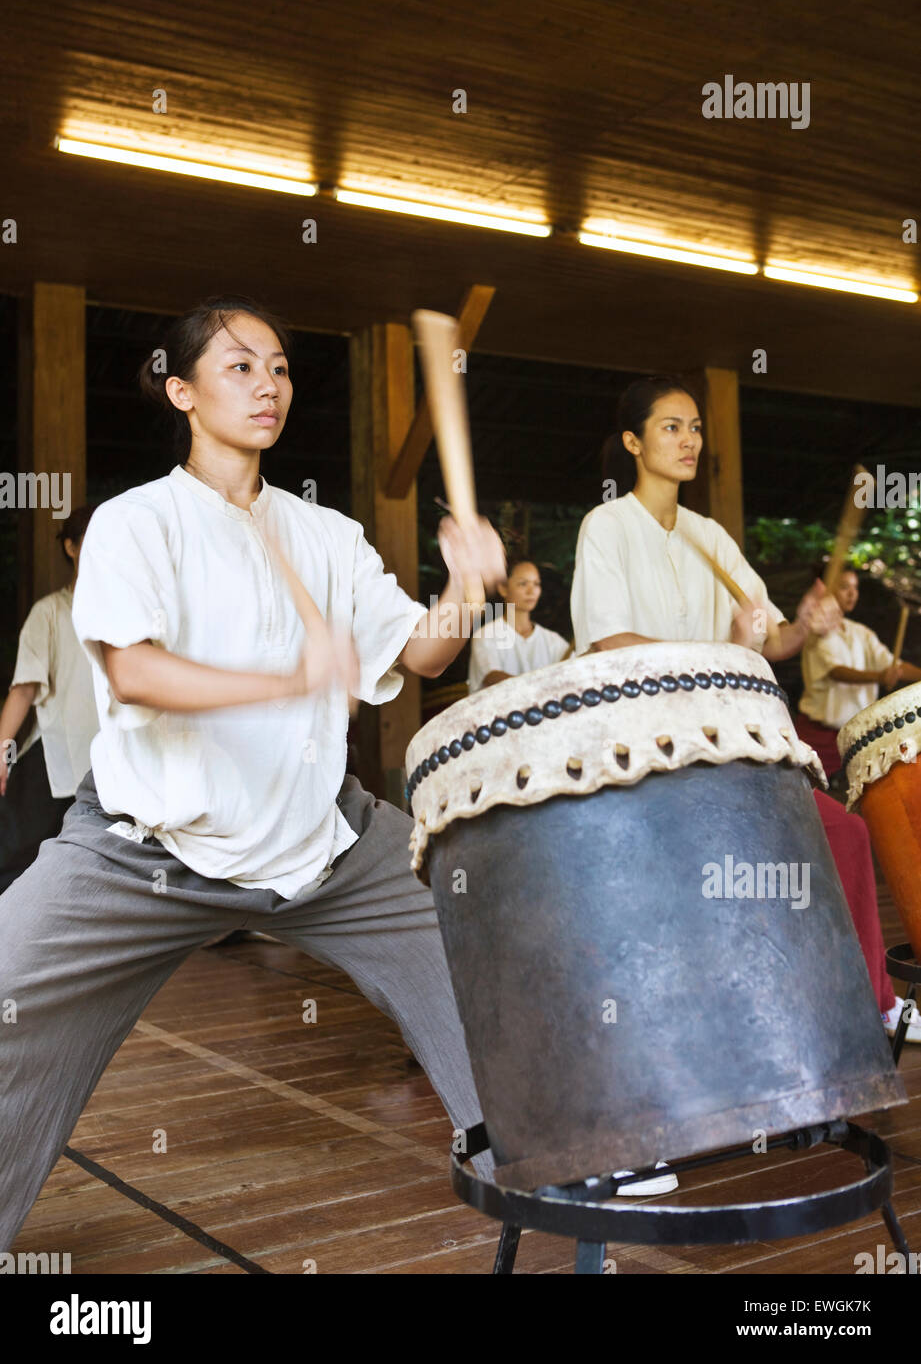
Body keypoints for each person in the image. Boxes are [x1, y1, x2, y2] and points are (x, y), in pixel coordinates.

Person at [0, 296, 507, 1253]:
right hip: (141, 851)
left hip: (325, 844)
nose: (267, 384)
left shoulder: (327, 534)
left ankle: (522, 1153)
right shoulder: (135, 522)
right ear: (182, 391)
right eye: (239, 367)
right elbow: (132, 670)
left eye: (277, 366)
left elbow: (424, 656)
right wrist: (283, 678)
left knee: (479, 920)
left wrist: (466, 590)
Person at [571, 376, 919, 1195]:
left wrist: (808, 627)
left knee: (843, 832)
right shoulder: (606, 527)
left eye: (693, 427)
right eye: (667, 427)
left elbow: (769, 639)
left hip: (721, 735)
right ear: (632, 442)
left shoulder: (709, 538)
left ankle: (873, 1007)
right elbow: (606, 641)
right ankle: (642, 1100)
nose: (686, 440)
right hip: (640, 744)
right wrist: (721, 650)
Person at [0, 507, 99, 892]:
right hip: (56, 754)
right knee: (22, 856)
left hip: (110, 756)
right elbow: (23, 689)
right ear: (71, 547)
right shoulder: (50, 612)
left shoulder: (126, 612)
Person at [798, 566, 921, 780]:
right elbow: (836, 672)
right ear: (824, 590)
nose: (852, 594)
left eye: (855, 588)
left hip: (857, 739)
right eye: (844, 587)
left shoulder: (861, 633)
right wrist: (879, 676)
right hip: (820, 735)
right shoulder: (818, 631)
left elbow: (896, 666)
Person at [467, 559, 569, 694]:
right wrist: (542, 687)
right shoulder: (485, 636)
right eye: (523, 584)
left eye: (536, 584)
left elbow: (571, 671)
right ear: (503, 588)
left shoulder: (553, 641)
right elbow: (492, 677)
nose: (531, 591)